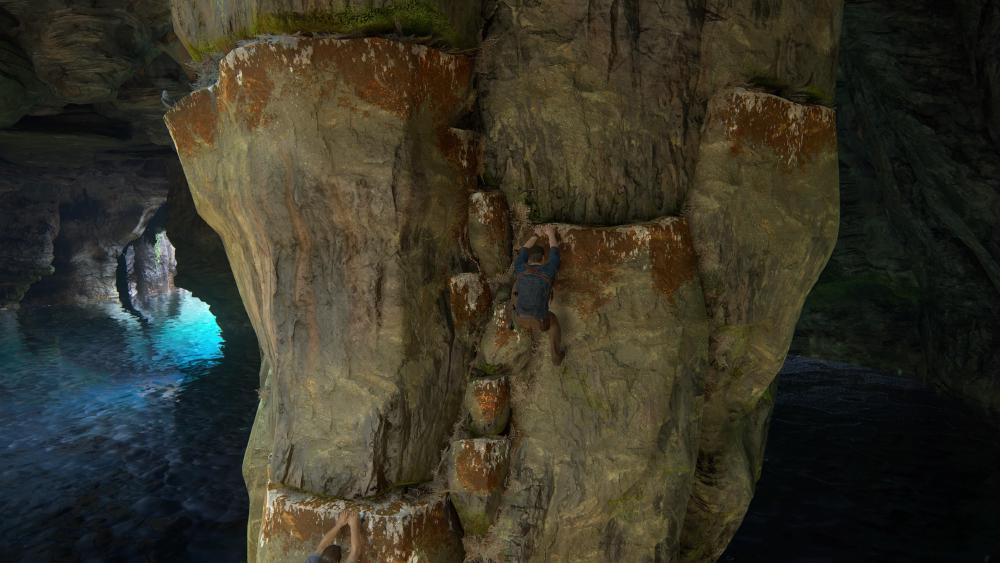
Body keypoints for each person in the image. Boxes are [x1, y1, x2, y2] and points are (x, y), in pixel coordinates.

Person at [512, 224, 566, 366]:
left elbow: (523, 250)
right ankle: (556, 357)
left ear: (528, 260)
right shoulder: (548, 270)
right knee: (553, 322)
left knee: (516, 287)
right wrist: (550, 233)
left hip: (519, 318)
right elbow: (555, 251)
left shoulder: (520, 267)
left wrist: (535, 234)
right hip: (539, 321)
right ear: (542, 259)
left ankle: (514, 328)